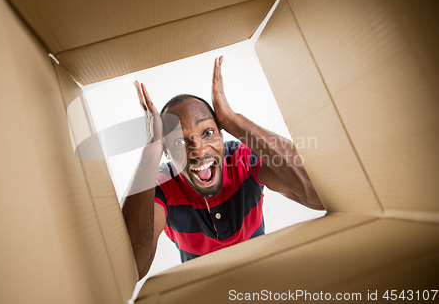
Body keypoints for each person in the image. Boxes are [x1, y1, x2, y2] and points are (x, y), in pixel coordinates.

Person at [122, 56, 324, 280]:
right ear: (166, 152)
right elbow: (133, 268)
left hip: (266, 279)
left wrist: (232, 119)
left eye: (208, 132)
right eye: (179, 141)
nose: (199, 152)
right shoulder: (162, 184)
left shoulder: (241, 158)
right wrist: (151, 148)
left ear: (221, 134)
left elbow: (318, 195)